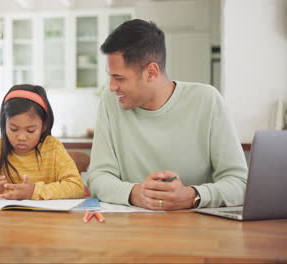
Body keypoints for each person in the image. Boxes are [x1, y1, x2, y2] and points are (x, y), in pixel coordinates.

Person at [87, 19, 247, 210]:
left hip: (199, 231)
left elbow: (239, 183)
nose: (112, 87)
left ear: (151, 72)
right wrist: (135, 193)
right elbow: (97, 177)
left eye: (119, 77)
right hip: (130, 230)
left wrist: (193, 196)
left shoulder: (207, 100)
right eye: (110, 76)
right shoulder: (110, 101)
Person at [0, 84, 84, 200]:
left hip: (45, 222)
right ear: (4, 124)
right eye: (13, 129)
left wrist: (34, 192)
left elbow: (76, 187)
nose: (21, 137)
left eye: (30, 130)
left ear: (44, 125)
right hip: (2, 221)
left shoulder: (52, 148)